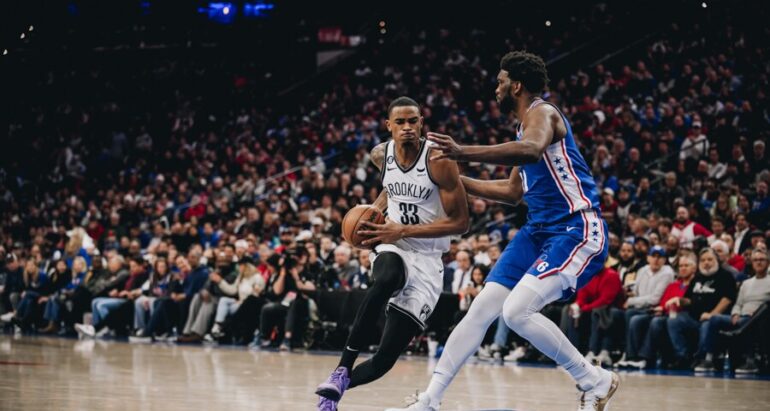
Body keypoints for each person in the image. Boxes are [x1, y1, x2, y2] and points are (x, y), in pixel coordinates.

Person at [390, 51, 617, 411]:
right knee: (480, 310)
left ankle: (595, 380)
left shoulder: (543, 113)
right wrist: (452, 181)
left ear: (516, 85)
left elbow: (529, 151)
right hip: (537, 230)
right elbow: (513, 193)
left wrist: (462, 152)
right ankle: (430, 399)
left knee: (516, 312)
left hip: (575, 228)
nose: (495, 87)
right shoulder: (522, 128)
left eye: (499, 81)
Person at [315, 96, 469, 411]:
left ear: (422, 123)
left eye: (413, 121)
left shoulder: (439, 161)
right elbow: (392, 185)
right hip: (393, 244)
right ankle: (342, 367)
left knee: (385, 358)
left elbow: (461, 223)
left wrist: (403, 230)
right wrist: (375, 211)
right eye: (400, 122)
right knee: (385, 277)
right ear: (389, 126)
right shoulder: (379, 154)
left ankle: (338, 391)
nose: (407, 127)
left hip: (427, 260)